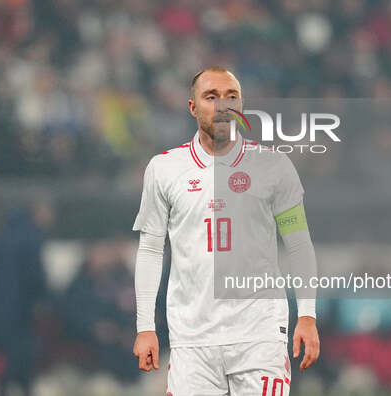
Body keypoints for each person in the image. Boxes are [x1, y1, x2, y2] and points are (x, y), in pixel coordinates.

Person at [132, 66, 320, 395]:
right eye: (211, 97)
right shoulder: (164, 169)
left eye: (231, 97)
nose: (222, 106)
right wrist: (145, 326)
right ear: (192, 107)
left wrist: (307, 315)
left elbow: (299, 244)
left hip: (259, 334)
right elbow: (150, 249)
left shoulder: (274, 166)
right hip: (192, 338)